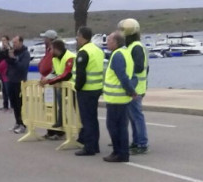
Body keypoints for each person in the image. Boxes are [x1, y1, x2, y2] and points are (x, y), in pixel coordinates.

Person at [103, 31, 137, 163]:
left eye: (109, 40)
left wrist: (131, 91)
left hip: (116, 98)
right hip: (122, 98)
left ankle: (119, 152)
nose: (107, 42)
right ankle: (122, 152)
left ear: (116, 42)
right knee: (122, 126)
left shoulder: (117, 55)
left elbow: (122, 76)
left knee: (113, 126)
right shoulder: (126, 53)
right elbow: (132, 75)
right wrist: (131, 91)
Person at [118, 18, 149, 155]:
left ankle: (142, 143)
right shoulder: (132, 47)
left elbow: (138, 67)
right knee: (133, 117)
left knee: (137, 117)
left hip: (136, 88)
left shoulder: (136, 47)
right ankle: (136, 142)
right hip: (134, 87)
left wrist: (125, 68)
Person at [72, 26, 105, 156]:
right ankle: (94, 145)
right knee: (93, 118)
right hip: (96, 88)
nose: (76, 38)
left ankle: (89, 147)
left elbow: (81, 74)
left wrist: (77, 87)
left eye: (77, 36)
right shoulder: (97, 50)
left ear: (82, 37)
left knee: (87, 120)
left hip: (86, 90)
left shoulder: (84, 52)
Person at [40, 39, 75, 140]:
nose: (50, 52)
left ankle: (62, 123)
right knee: (48, 100)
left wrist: (49, 81)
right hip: (59, 84)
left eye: (51, 49)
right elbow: (55, 72)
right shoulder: (55, 58)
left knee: (60, 100)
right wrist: (45, 79)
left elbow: (66, 75)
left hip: (71, 85)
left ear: (56, 49)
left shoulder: (70, 57)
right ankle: (52, 128)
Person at [6, 35, 31, 134]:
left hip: (20, 81)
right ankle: (17, 122)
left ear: (21, 42)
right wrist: (9, 57)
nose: (14, 44)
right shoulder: (13, 52)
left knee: (20, 104)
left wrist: (14, 59)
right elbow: (7, 62)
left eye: (15, 42)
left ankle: (23, 124)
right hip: (11, 80)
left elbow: (23, 67)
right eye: (13, 42)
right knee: (14, 104)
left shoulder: (25, 53)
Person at [38, 29, 58, 138]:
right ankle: (51, 130)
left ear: (49, 39)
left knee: (54, 107)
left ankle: (57, 131)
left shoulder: (53, 51)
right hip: (48, 82)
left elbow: (52, 68)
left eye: (45, 37)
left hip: (52, 83)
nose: (43, 39)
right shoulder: (49, 50)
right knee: (48, 106)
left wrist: (47, 77)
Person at [0, 35, 11, 111]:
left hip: (7, 71)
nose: (3, 42)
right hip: (1, 71)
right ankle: (5, 105)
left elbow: (10, 58)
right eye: (2, 40)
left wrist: (7, 48)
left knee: (8, 88)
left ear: (8, 41)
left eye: (4, 40)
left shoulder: (10, 49)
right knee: (4, 90)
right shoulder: (0, 49)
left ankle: (12, 105)